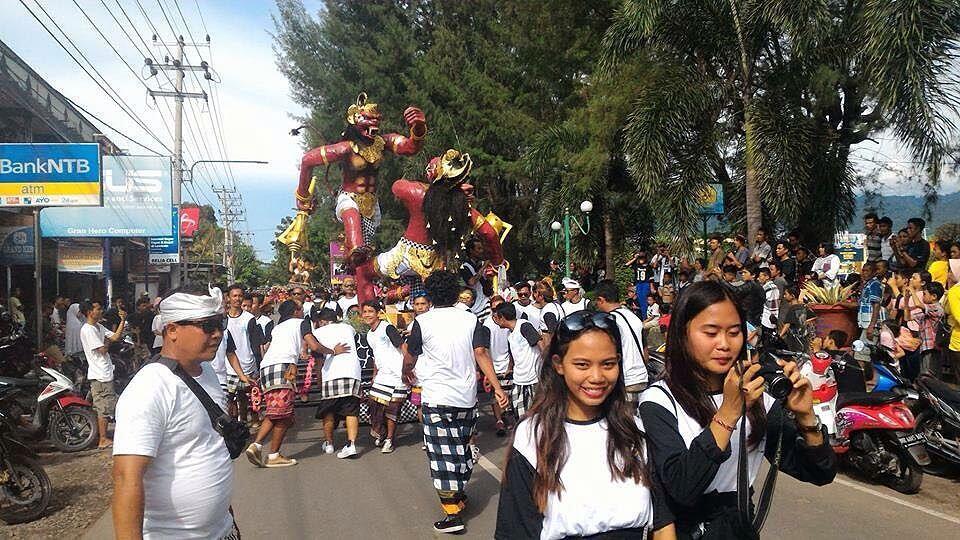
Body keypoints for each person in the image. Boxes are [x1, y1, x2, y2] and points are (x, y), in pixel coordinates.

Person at [638, 281, 836, 538]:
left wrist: (807, 418)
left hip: (738, 528)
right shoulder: (659, 400)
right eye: (710, 333)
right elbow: (682, 487)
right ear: (682, 334)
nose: (724, 344)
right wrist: (728, 413)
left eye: (734, 332)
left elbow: (820, 472)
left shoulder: (759, 399)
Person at [495, 310, 675, 539]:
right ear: (559, 365)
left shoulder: (635, 431)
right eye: (582, 365)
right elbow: (513, 531)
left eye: (608, 364)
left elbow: (662, 522)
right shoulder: (533, 436)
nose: (597, 377)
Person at [112, 286, 239, 539]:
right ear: (172, 330)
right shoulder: (150, 388)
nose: (217, 334)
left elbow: (209, 448)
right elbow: (126, 478)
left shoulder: (208, 372)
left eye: (220, 324)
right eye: (207, 326)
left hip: (222, 531)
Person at [401, 270, 508, 534]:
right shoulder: (471, 319)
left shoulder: (422, 322)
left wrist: (406, 370)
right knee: (460, 448)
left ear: (430, 295)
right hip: (466, 397)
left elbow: (411, 355)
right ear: (454, 292)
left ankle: (452, 514)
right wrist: (497, 387)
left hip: (437, 397)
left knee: (441, 455)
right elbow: (481, 353)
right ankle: (458, 495)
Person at [246, 300, 346, 468]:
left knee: (276, 411)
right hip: (282, 368)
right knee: (284, 415)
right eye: (300, 308)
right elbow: (313, 344)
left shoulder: (278, 327)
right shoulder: (302, 322)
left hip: (267, 369)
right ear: (295, 311)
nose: (302, 311)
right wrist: (332, 351)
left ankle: (256, 446)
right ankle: (273, 455)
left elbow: (273, 346)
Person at [312, 307, 364, 458]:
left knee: (328, 410)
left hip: (331, 374)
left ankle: (329, 443)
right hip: (352, 372)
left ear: (322, 321)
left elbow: (318, 359)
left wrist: (318, 378)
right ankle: (351, 444)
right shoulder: (348, 328)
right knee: (351, 410)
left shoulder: (318, 333)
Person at [362, 300, 408, 453]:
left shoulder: (387, 328)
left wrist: (407, 369)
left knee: (392, 410)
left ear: (378, 313)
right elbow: (376, 355)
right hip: (382, 375)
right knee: (374, 405)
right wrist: (375, 374)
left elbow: (403, 346)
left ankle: (389, 439)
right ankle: (381, 432)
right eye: (365, 312)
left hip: (397, 374)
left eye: (370, 311)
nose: (367, 314)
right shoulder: (369, 335)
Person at [80, 299, 126, 449]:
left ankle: (102, 436)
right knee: (104, 407)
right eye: (97, 308)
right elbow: (103, 350)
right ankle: (103, 439)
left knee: (105, 406)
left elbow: (115, 337)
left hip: (105, 371)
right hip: (100, 374)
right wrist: (107, 341)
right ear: (89, 312)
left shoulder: (98, 326)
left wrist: (122, 320)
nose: (100, 311)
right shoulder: (88, 329)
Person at [594, 280, 648, 406]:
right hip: (642, 379)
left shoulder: (609, 321)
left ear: (601, 300)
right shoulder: (633, 316)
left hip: (624, 382)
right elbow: (646, 353)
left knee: (625, 422)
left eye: (597, 302)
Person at [492, 302, 541, 420]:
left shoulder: (524, 326)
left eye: (496, 317)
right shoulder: (510, 334)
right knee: (520, 415)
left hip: (533, 380)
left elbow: (540, 343)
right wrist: (509, 369)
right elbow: (512, 354)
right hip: (519, 380)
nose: (495, 320)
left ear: (502, 318)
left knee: (536, 415)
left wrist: (549, 367)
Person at [224, 284, 263, 424]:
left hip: (247, 364)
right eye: (234, 296)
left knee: (246, 397)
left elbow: (256, 345)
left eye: (240, 296)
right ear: (228, 298)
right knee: (229, 398)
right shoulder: (222, 319)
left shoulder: (249, 319)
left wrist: (259, 365)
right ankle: (234, 423)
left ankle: (248, 421)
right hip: (228, 366)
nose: (237, 299)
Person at [483, 296, 513, 436]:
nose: (497, 311)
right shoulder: (487, 324)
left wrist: (511, 364)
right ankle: (499, 420)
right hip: (493, 365)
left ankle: (506, 416)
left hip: (507, 364)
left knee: (507, 393)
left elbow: (513, 345)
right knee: (495, 395)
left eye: (500, 307)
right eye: (494, 308)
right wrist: (488, 369)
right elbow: (484, 349)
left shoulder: (509, 322)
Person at [905, 282, 946, 378]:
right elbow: (907, 317)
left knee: (929, 375)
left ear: (934, 296)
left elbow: (918, 304)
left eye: (924, 294)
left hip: (931, 348)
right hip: (924, 347)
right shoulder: (927, 313)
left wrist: (912, 291)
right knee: (924, 373)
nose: (923, 297)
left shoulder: (936, 309)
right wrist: (906, 299)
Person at [459, 238, 492, 320]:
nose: (481, 251)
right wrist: (483, 267)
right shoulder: (465, 266)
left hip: (486, 302)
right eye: (479, 248)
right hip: (473, 304)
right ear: (471, 251)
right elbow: (472, 282)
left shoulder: (484, 263)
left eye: (482, 248)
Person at [757, 267, 780, 339]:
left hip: (769, 322)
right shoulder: (765, 287)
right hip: (765, 320)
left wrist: (773, 322)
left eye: (760, 276)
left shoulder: (771, 288)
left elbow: (774, 308)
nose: (758, 278)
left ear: (766, 277)